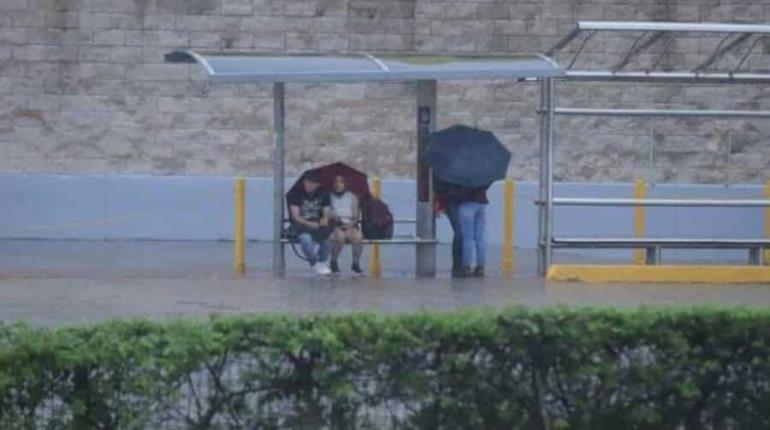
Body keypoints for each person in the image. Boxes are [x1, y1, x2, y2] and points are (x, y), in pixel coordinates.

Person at [287, 171, 333, 275]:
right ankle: (314, 263)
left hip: (318, 225)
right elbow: (296, 216)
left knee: (327, 241)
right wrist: (309, 224)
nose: (308, 184)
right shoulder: (296, 193)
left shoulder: (324, 193)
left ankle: (321, 263)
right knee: (306, 239)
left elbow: (327, 210)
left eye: (312, 182)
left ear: (318, 184)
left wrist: (325, 218)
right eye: (307, 182)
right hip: (301, 226)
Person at [329, 175, 365, 275]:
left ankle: (355, 263)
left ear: (345, 184)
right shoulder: (329, 196)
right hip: (334, 225)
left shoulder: (352, 197)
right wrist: (336, 220)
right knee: (340, 237)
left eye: (340, 182)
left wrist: (349, 225)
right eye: (336, 182)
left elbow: (355, 216)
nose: (338, 184)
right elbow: (328, 213)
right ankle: (333, 261)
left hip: (349, 224)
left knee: (358, 237)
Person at [458, 183, 491, 278]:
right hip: (481, 203)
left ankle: (466, 266)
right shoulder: (482, 171)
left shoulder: (465, 175)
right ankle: (480, 266)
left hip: (467, 203)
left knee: (467, 237)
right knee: (480, 237)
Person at [434, 177, 464, 278]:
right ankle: (458, 266)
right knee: (460, 232)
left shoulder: (445, 170)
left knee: (460, 232)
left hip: (453, 200)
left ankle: (459, 266)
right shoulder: (446, 171)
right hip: (452, 200)